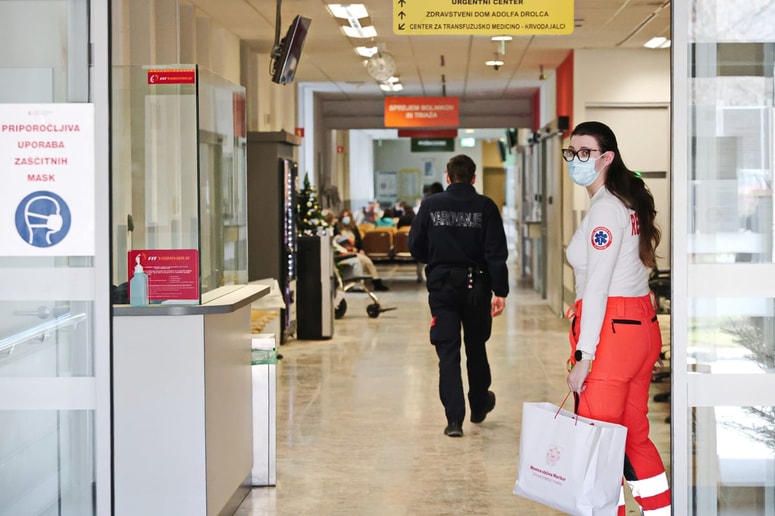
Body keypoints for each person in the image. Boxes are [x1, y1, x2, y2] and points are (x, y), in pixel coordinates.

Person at [563, 121, 671, 515]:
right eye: (571, 152)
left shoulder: (607, 209)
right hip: (639, 326)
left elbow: (598, 286)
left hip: (613, 334)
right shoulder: (623, 201)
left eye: (585, 152)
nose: (576, 160)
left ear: (607, 157)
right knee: (633, 435)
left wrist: (584, 355)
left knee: (597, 444)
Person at [408, 154, 508, 438]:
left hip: (442, 288)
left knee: (448, 353)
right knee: (476, 346)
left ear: (448, 176)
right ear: (474, 178)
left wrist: (436, 258)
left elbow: (415, 244)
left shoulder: (431, 205)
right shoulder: (485, 207)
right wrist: (500, 291)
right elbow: (496, 252)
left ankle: (454, 421)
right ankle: (479, 404)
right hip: (477, 287)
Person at [334, 209, 389, 291]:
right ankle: (361, 284)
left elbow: (359, 241)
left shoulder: (353, 228)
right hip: (344, 252)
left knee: (367, 261)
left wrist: (361, 249)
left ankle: (376, 281)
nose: (346, 218)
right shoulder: (336, 228)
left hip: (354, 251)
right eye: (344, 216)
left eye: (347, 216)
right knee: (361, 261)